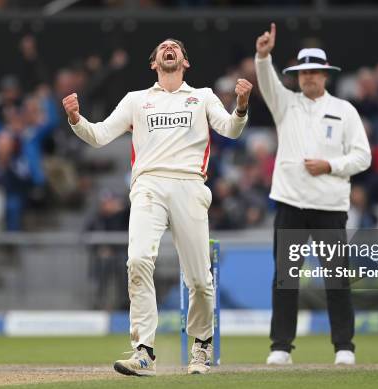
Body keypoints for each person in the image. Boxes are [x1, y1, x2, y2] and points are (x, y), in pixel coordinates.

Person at [62, 38, 252, 376]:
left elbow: (231, 130)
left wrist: (240, 105)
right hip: (148, 185)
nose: (170, 49)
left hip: (189, 185)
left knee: (199, 279)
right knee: (137, 261)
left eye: (176, 47)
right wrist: (77, 119)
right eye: (164, 47)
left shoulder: (203, 96)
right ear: (154, 63)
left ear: (184, 62)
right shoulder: (137, 100)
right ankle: (144, 352)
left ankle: (201, 346)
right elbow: (101, 135)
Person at [254, 23, 371, 366]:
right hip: (291, 203)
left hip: (329, 207)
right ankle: (280, 347)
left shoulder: (344, 110)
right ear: (298, 75)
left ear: (325, 75)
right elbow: (267, 81)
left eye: (315, 72)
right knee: (286, 279)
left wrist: (330, 165)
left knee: (336, 278)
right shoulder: (285, 104)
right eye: (304, 72)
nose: (309, 78)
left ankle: (344, 347)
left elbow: (362, 156)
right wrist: (263, 55)